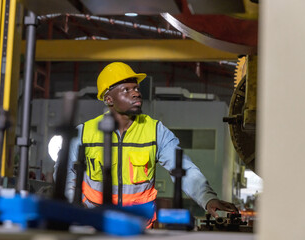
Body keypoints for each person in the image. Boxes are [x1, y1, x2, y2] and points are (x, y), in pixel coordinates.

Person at [54, 62, 238, 227]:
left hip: (139, 226)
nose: (136, 93)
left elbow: (183, 168)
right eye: (126, 89)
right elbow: (63, 170)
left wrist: (207, 198)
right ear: (108, 99)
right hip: (95, 221)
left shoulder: (155, 131)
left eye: (136, 88)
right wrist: (75, 204)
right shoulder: (85, 132)